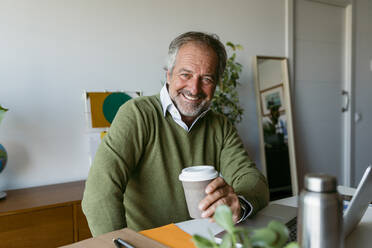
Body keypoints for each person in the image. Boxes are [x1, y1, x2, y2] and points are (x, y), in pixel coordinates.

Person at [82, 31, 269, 236]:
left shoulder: (219, 125)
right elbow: (99, 194)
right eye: (185, 74)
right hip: (147, 243)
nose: (194, 88)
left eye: (206, 78)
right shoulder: (137, 114)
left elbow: (253, 180)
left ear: (216, 84)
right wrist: (119, 243)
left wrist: (239, 204)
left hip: (204, 239)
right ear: (168, 74)